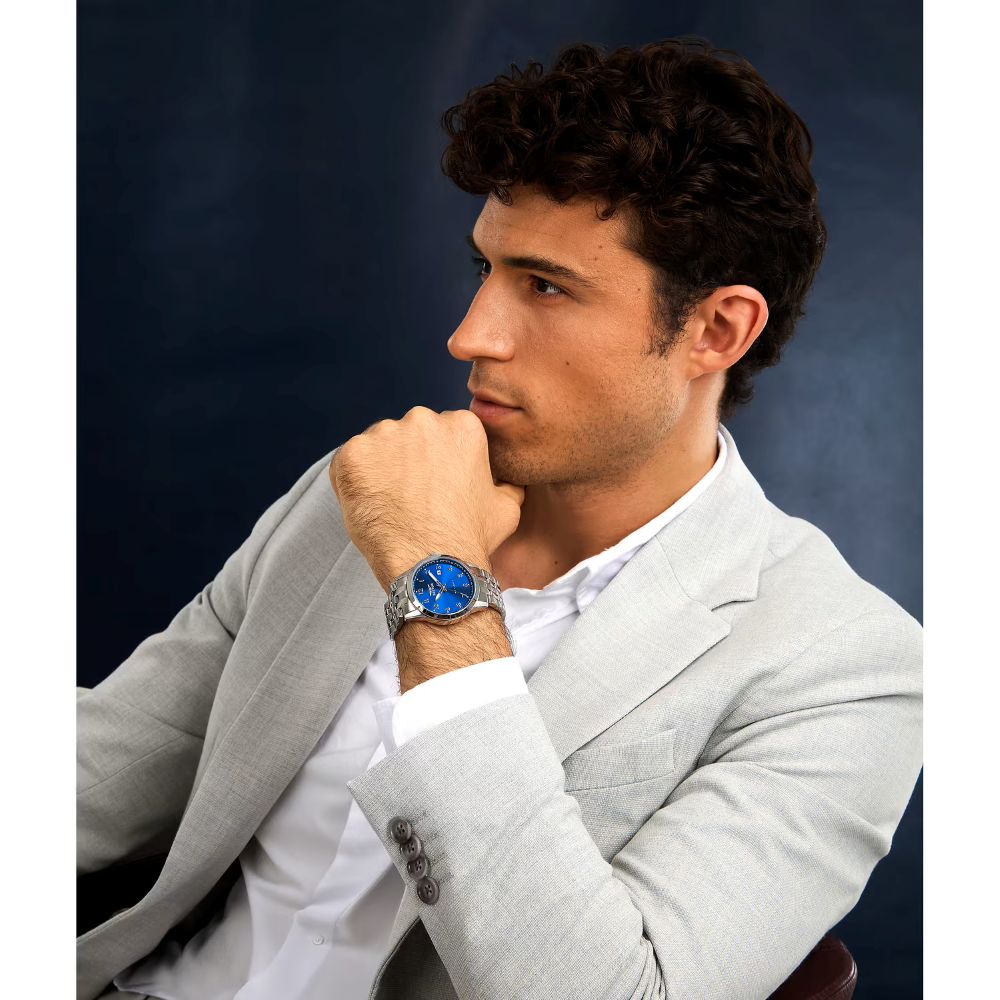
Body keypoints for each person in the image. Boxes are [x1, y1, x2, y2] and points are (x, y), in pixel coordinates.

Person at [77, 36, 922, 1000]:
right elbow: (101, 773)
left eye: (546, 286)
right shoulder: (361, 493)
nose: (470, 334)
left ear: (716, 330)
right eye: (485, 267)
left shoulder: (846, 671)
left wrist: (433, 578)